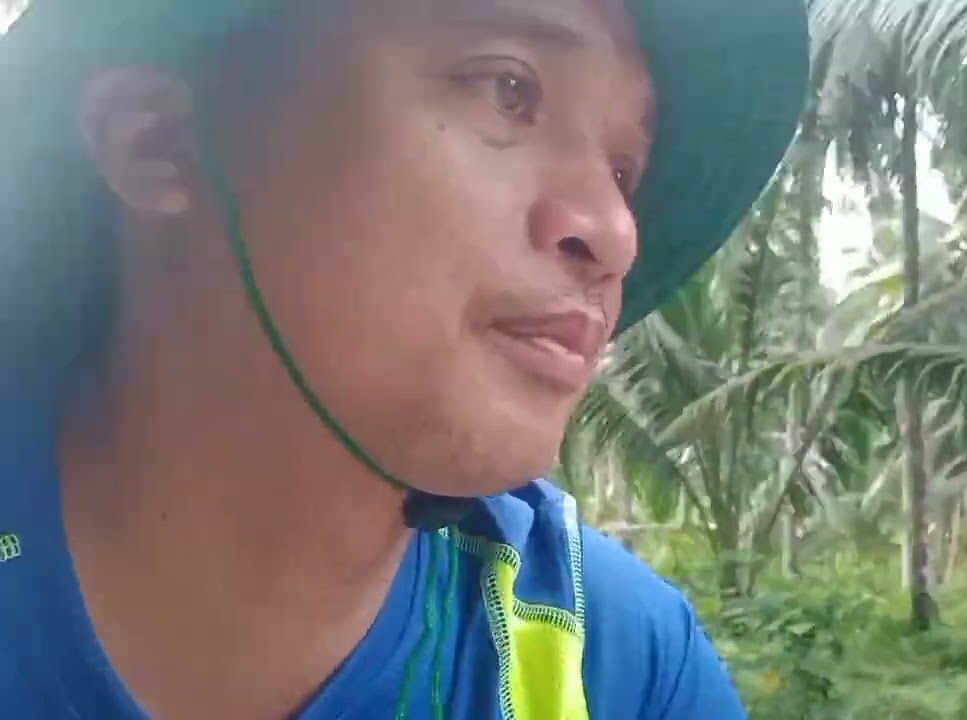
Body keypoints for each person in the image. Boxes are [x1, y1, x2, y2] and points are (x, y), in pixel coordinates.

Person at [0, 0, 809, 717]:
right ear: (159, 141)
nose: (614, 232)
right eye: (509, 90)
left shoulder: (625, 669)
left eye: (624, 170)